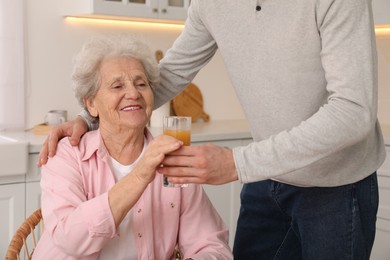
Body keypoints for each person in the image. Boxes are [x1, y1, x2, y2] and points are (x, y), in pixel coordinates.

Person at [38, 0, 386, 259]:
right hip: (267, 176)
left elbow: (353, 112)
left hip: (336, 185)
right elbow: (168, 75)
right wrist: (91, 117)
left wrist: (237, 164)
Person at [32, 35, 233, 260]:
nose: (134, 93)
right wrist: (139, 175)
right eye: (117, 86)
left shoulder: (173, 160)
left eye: (141, 84)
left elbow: (213, 247)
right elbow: (70, 239)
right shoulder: (67, 155)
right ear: (91, 104)